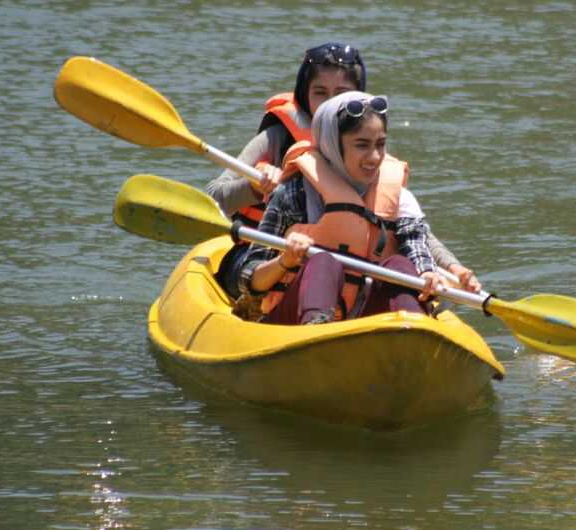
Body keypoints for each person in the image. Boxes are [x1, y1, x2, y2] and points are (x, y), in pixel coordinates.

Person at [206, 43, 480, 301]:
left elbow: (407, 225)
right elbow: (214, 198)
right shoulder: (277, 138)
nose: (328, 104)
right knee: (314, 265)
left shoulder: (367, 145)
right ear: (305, 94)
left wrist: (453, 268)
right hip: (265, 250)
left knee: (398, 263)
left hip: (354, 266)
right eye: (320, 93)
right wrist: (254, 187)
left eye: (340, 94)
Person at [238, 92, 447, 325]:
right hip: (293, 321)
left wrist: (427, 274)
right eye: (361, 145)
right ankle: (316, 329)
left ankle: (415, 331)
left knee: (400, 265)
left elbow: (417, 248)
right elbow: (249, 280)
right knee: (323, 262)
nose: (374, 157)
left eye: (380, 144)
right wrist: (285, 260)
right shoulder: (293, 195)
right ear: (333, 145)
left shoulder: (400, 198)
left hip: (365, 316)